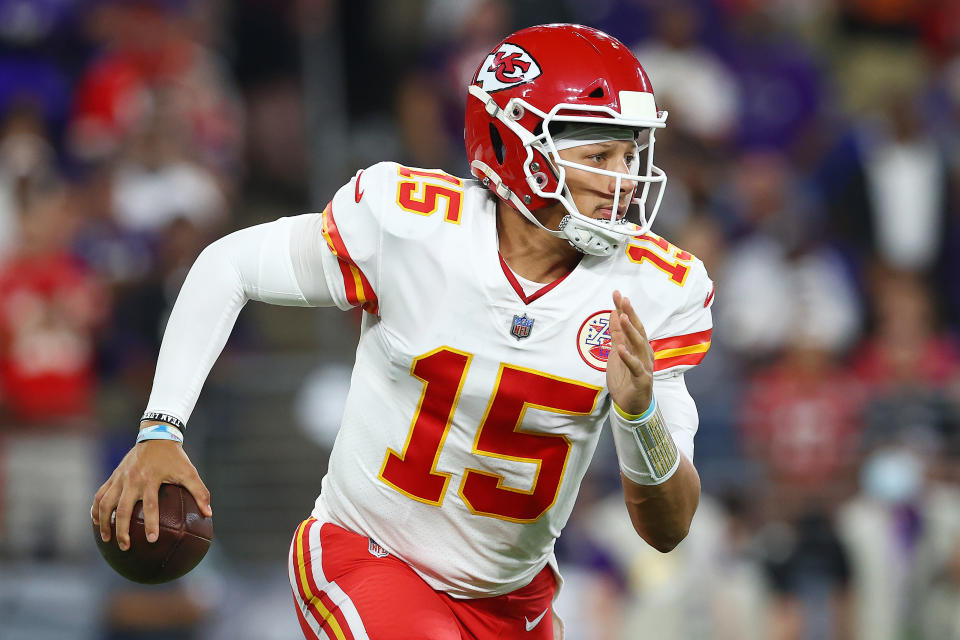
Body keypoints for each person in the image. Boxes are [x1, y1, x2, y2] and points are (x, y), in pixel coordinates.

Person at [91, 24, 714, 639]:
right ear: (515, 144)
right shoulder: (412, 227)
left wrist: (641, 418)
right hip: (366, 556)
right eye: (598, 155)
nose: (624, 179)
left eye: (629, 154)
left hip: (512, 603)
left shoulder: (657, 289)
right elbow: (228, 265)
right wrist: (161, 428)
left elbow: (669, 527)